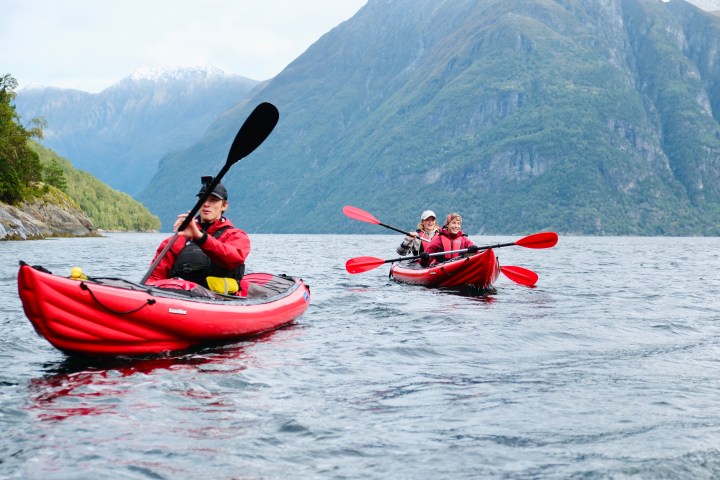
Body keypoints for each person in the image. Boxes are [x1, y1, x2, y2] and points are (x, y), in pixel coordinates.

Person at [146, 176, 251, 289]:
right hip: (182, 298)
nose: (206, 204)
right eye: (203, 199)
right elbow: (154, 277)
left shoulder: (236, 236)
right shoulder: (177, 239)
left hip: (222, 300)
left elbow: (233, 258)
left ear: (224, 205)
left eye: (213, 200)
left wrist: (200, 237)